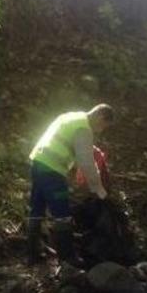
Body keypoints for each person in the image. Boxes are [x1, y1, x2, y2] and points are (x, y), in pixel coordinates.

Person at [27, 104, 114, 265]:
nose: (100, 131)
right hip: (53, 171)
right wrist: (100, 190)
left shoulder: (71, 117)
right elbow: (86, 163)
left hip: (37, 163)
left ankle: (33, 254)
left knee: (37, 208)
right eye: (103, 126)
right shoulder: (84, 128)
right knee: (62, 212)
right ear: (100, 117)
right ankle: (67, 258)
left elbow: (66, 139)